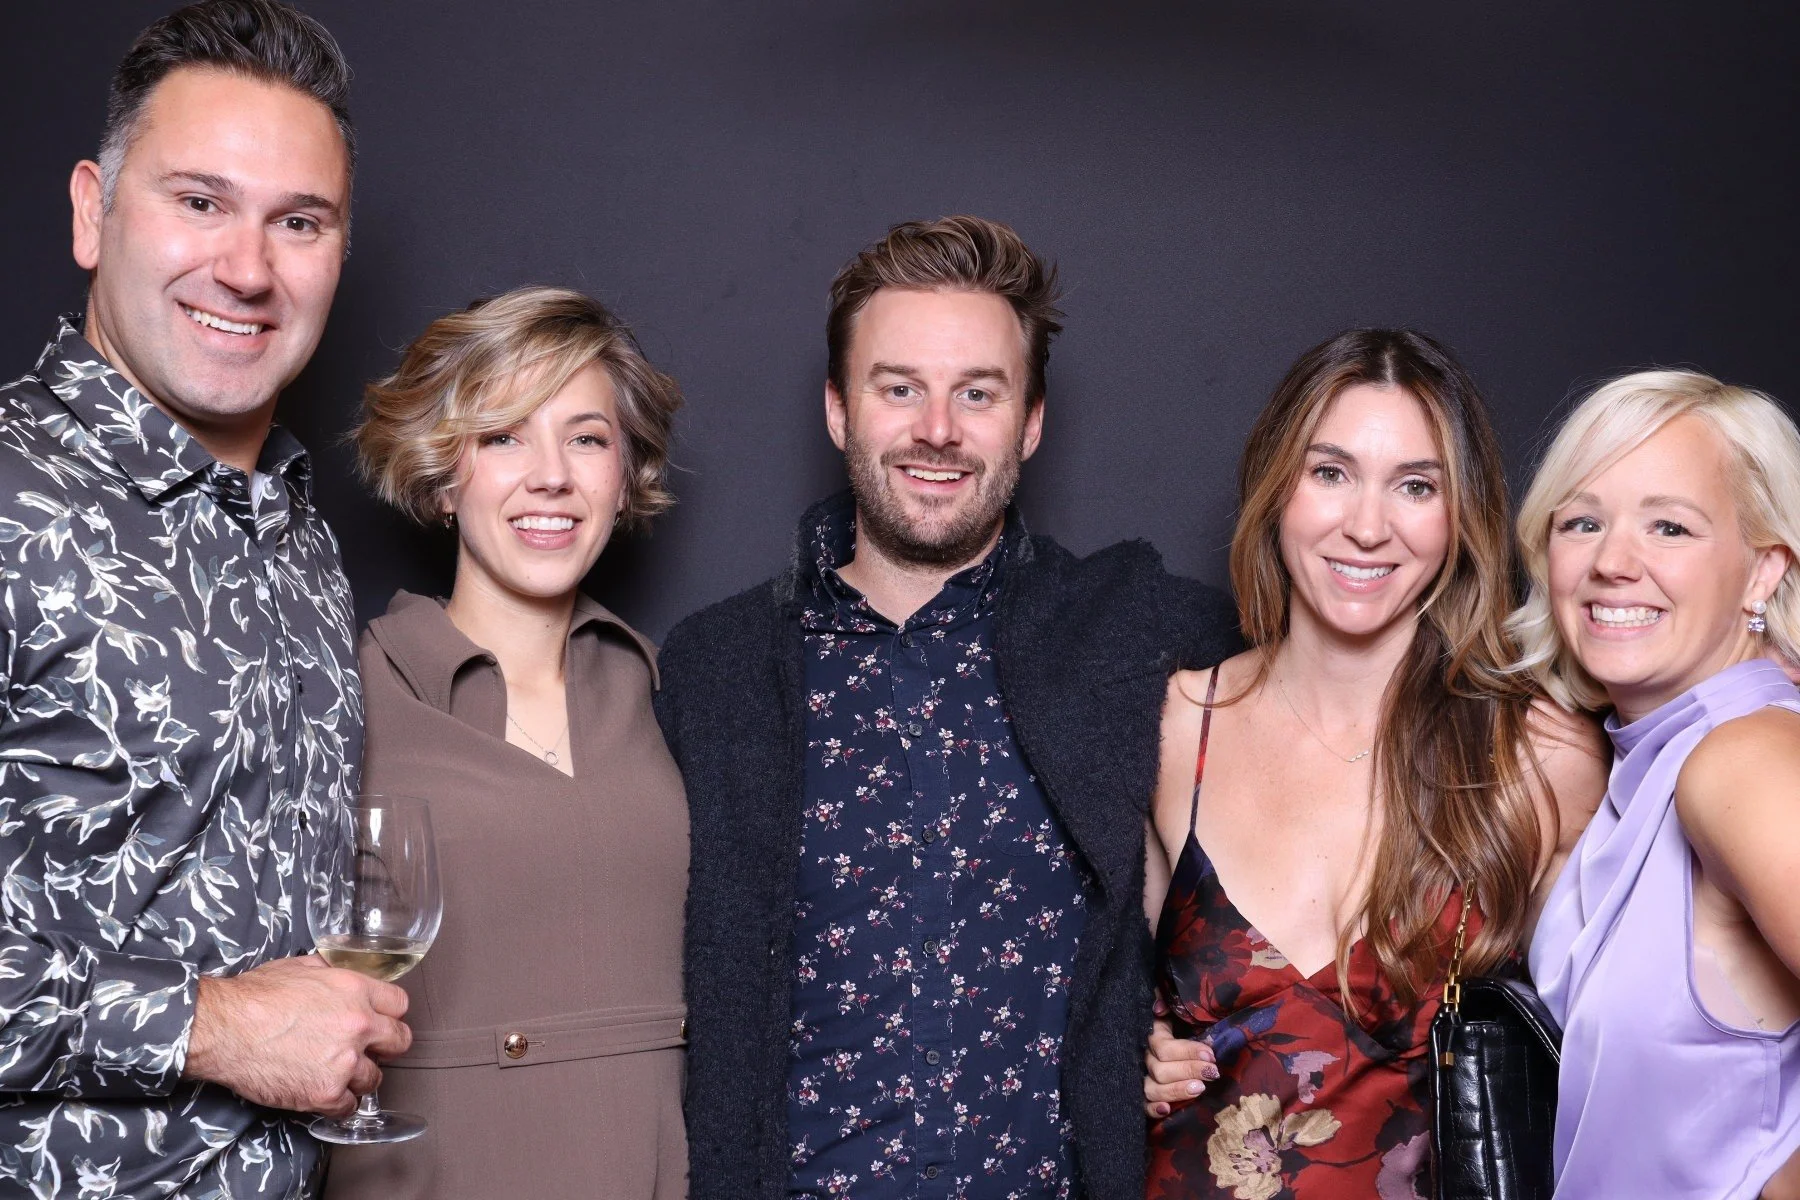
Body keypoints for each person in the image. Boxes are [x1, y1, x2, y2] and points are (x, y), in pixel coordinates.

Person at [654, 215, 1240, 1199]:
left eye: (978, 392)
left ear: (1033, 420)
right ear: (840, 410)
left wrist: (1161, 1010)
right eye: (900, 389)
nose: (938, 428)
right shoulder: (716, 669)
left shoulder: (1142, 634)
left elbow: (1333, 751)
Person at [0, 4, 411, 1197]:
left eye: (299, 221)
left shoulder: (298, 538)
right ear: (92, 211)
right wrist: (212, 1027)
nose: (246, 266)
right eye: (198, 201)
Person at [1140, 330, 1605, 1198]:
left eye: (1416, 486)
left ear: (1460, 517)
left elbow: (1640, 1053)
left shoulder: (1538, 757)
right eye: (1331, 473)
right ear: (1277, 487)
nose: (1366, 524)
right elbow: (1075, 1000)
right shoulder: (1173, 726)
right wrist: (1126, 1053)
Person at [320, 286, 689, 1198]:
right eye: (504, 436)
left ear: (623, 472)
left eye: (587, 437)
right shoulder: (348, 694)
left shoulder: (674, 690)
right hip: (435, 1172)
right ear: (444, 476)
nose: (551, 474)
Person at [1518, 371, 1800, 1200]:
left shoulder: (1741, 759)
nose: (1612, 561)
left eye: (1670, 526)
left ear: (1761, 573)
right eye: (1583, 521)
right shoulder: (1650, 765)